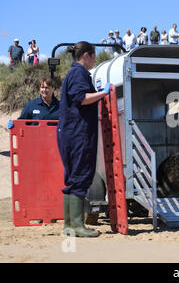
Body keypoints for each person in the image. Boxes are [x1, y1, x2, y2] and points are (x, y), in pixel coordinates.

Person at [57, 41, 112, 237]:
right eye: (94, 56)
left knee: (72, 177)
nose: (94, 61)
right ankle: (78, 226)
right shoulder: (79, 73)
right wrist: (103, 93)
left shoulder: (71, 74)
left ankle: (69, 226)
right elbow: (81, 98)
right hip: (78, 133)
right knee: (80, 175)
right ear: (86, 55)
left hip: (70, 132)